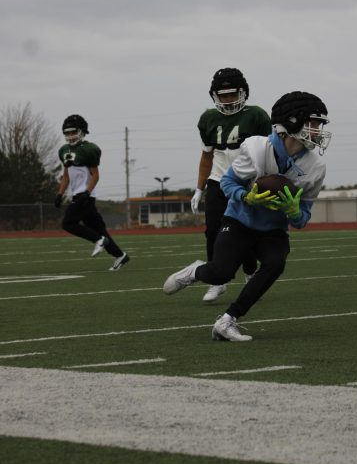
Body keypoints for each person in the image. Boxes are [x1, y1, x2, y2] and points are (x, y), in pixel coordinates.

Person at [164, 91, 332, 341]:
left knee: (275, 263)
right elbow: (227, 183)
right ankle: (195, 272)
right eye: (314, 122)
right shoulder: (256, 148)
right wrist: (246, 197)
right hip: (239, 220)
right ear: (292, 122)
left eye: (320, 124)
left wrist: (294, 212)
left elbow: (302, 220)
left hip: (273, 228)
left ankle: (228, 320)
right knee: (220, 273)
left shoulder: (315, 166)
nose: (318, 130)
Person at [191, 67, 272, 302]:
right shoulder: (208, 118)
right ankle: (218, 280)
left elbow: (269, 152)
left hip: (247, 182)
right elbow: (207, 156)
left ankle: (249, 272)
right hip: (218, 181)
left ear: (243, 93)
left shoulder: (256, 115)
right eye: (223, 95)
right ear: (214, 95)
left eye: (232, 94)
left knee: (245, 231)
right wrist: (199, 188)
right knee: (212, 232)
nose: (227, 100)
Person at [55, 114, 130, 271]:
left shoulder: (89, 149)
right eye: (67, 133)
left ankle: (99, 240)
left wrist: (87, 192)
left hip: (85, 196)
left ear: (82, 131)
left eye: (73, 132)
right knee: (99, 229)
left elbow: (95, 175)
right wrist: (59, 194)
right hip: (78, 194)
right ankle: (120, 255)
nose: (70, 135)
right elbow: (66, 175)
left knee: (68, 223)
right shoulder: (64, 150)